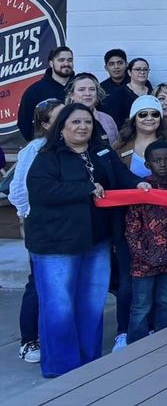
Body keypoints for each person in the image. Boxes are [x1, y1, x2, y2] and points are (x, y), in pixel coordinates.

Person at [24, 103, 151, 378]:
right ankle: (62, 368)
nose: (82, 127)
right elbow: (41, 190)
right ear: (62, 128)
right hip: (56, 245)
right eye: (75, 122)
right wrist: (86, 189)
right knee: (59, 307)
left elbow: (122, 176)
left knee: (92, 304)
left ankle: (88, 361)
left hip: (96, 242)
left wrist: (138, 184)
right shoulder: (47, 155)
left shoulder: (102, 153)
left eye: (87, 122)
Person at [10, 98, 64, 365]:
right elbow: (18, 190)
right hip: (40, 225)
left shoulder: (72, 146)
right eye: (59, 116)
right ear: (45, 124)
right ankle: (28, 340)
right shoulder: (34, 149)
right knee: (38, 283)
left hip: (67, 227)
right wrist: (29, 219)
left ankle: (53, 337)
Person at [125, 142, 167, 343]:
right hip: (143, 262)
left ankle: (163, 345)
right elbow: (132, 229)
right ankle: (136, 347)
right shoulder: (141, 191)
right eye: (157, 160)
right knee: (141, 306)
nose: (162, 164)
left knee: (164, 303)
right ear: (147, 163)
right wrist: (142, 254)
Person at [17, 45, 74, 140]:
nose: (66, 63)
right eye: (61, 60)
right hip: (47, 148)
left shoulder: (81, 87)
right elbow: (24, 122)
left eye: (70, 60)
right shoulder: (35, 90)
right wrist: (37, 143)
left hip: (78, 145)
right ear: (51, 63)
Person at [66, 72, 118, 148]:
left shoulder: (107, 120)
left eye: (92, 89)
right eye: (81, 90)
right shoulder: (63, 119)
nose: (87, 93)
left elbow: (116, 148)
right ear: (71, 95)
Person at [104, 57, 154, 128]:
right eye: (137, 69)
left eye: (145, 69)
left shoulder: (153, 92)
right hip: (126, 134)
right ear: (129, 72)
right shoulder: (118, 93)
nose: (142, 72)